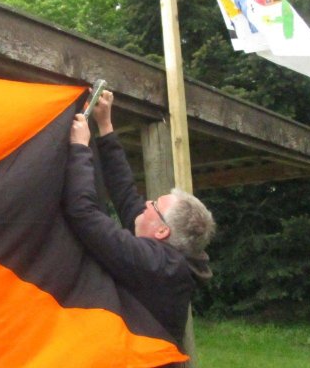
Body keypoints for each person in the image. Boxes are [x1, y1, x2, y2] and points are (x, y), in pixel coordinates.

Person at [63, 89, 216, 346]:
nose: (145, 203)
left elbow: (84, 215)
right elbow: (126, 195)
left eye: (153, 205)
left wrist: (80, 148)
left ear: (161, 232)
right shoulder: (169, 256)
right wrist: (105, 126)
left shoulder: (157, 263)